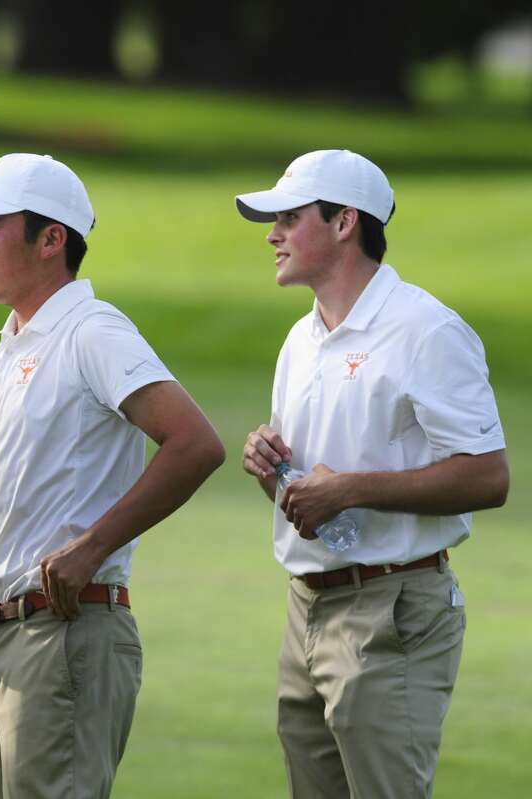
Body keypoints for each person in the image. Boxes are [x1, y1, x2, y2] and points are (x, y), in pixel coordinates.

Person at [0, 153, 225, 798]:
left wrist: (93, 546)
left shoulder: (93, 331)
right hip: (9, 635)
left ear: (51, 239)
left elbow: (195, 444)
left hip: (65, 633)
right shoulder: (8, 346)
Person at [236, 149, 509, 798]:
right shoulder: (300, 341)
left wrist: (351, 487)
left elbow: (488, 475)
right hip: (305, 605)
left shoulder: (425, 329)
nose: (272, 233)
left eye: (289, 217)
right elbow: (307, 490)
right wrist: (268, 465)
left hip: (395, 609)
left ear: (343, 223)